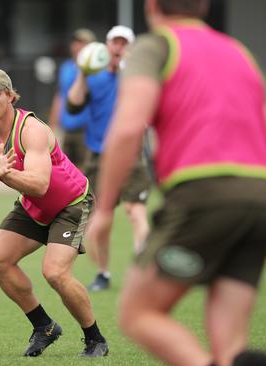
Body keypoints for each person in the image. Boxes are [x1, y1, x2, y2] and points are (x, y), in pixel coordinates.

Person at [85, 0, 266, 365]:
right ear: (205, 5)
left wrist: (103, 209)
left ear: (151, 6)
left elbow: (129, 128)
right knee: (231, 346)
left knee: (137, 314)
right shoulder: (240, 52)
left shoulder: (156, 46)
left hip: (202, 194)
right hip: (263, 197)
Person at [0, 67, 109, 357]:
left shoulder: (32, 130)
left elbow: (40, 184)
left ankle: (95, 339)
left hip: (71, 203)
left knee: (54, 273)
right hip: (34, 206)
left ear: (10, 97)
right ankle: (44, 326)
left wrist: (8, 174)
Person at [67, 25, 151, 291]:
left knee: (135, 211)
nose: (118, 47)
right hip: (97, 154)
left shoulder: (136, 76)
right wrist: (83, 71)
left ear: (130, 48)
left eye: (123, 43)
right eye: (114, 42)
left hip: (131, 152)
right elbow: (73, 104)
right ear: (106, 46)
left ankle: (143, 270)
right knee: (101, 217)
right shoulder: (93, 76)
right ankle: (103, 274)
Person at [47, 28, 96, 170]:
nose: (77, 46)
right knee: (67, 170)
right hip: (68, 128)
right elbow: (60, 96)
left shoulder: (96, 69)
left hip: (87, 129)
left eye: (82, 43)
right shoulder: (66, 67)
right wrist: (52, 126)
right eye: (75, 42)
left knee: (86, 171)